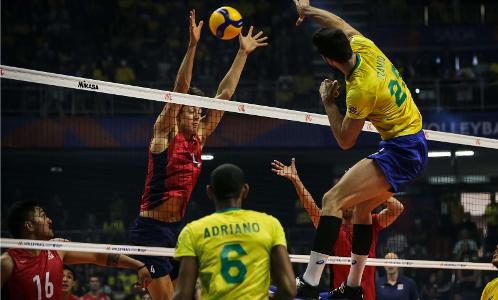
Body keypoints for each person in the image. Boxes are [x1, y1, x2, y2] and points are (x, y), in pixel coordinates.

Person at [290, 0, 427, 298]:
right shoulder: (366, 48)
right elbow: (339, 22)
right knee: (362, 208)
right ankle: (352, 287)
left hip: (401, 150)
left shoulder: (360, 89)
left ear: (328, 61)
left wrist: (328, 102)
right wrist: (309, 12)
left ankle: (310, 282)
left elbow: (344, 140)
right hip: (412, 143)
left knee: (332, 200)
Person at [128, 9, 268, 300]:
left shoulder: (199, 138)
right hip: (150, 232)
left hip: (176, 231)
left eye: (198, 111)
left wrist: (242, 53)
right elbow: (179, 88)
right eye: (190, 110)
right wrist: (193, 45)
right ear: (179, 112)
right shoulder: (164, 134)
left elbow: (225, 96)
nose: (196, 114)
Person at [271, 158, 404, 300]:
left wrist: (366, 185)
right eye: (343, 198)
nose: (345, 203)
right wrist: (296, 180)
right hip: (339, 296)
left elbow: (397, 209)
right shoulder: (332, 227)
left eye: (349, 198)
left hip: (367, 296)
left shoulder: (372, 223)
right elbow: (312, 209)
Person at [172, 164, 296, 300]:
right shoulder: (270, 225)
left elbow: (183, 295)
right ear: (245, 190)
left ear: (209, 192)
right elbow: (288, 289)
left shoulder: (193, 231)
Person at [0, 200, 152, 300]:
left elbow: (97, 255)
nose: (49, 220)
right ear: (29, 226)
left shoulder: (57, 250)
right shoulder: (7, 262)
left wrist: (138, 265)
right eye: (43, 216)